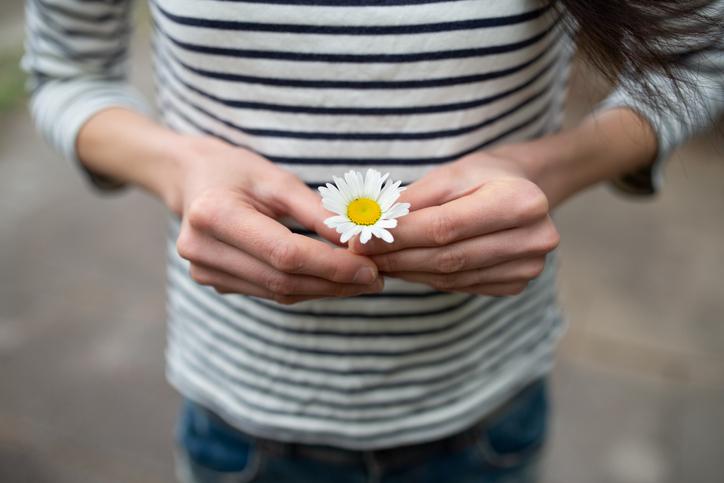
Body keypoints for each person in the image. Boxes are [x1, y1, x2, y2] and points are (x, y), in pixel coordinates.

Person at [23, 0, 723, 481]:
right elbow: (66, 72)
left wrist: (548, 169)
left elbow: (698, 59)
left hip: (482, 406)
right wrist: (179, 170)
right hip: (239, 414)